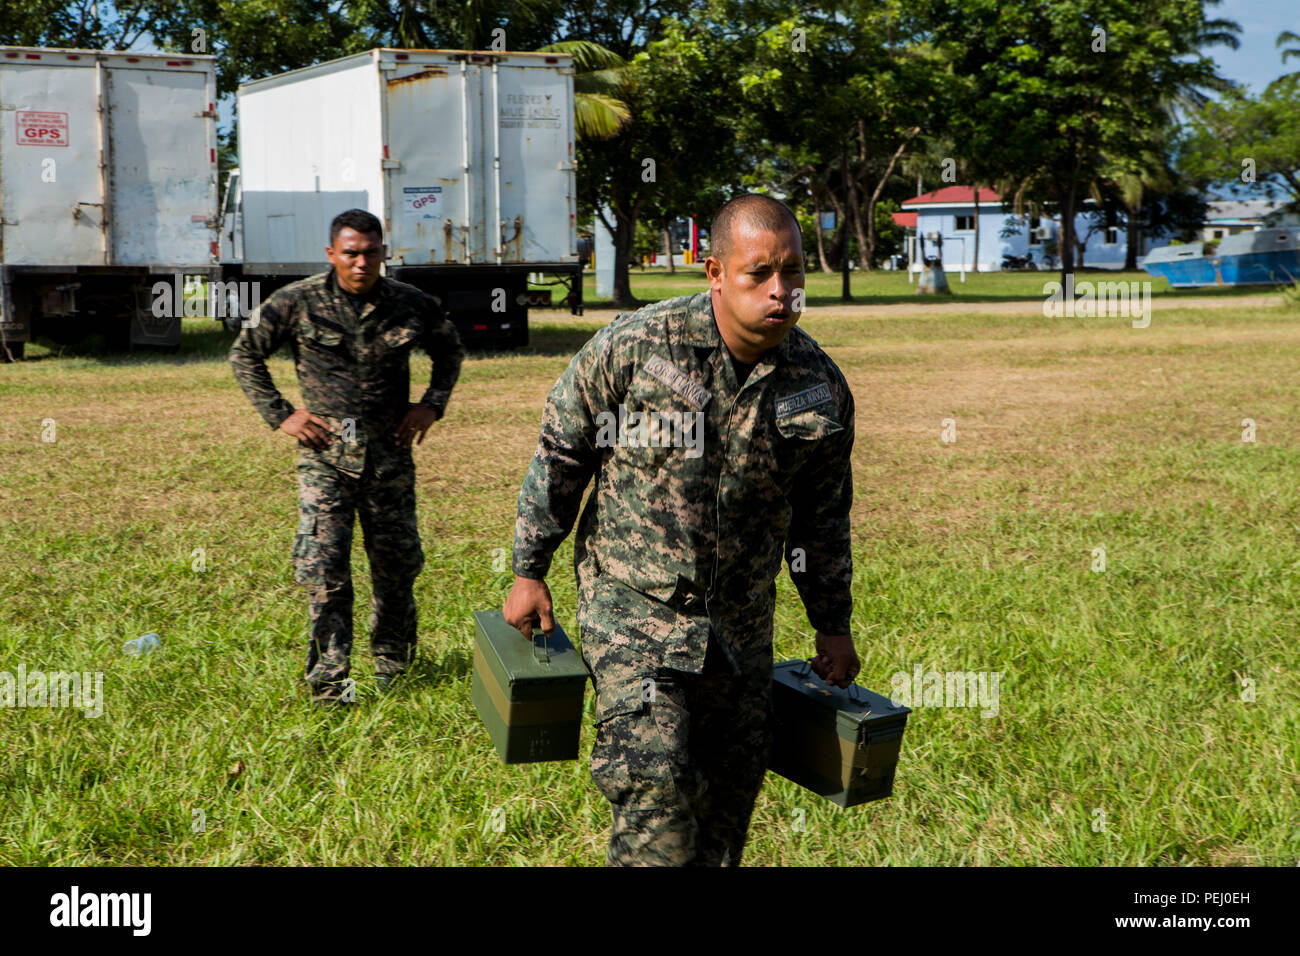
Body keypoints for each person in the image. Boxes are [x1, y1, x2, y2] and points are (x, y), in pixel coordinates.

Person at [503, 194, 859, 865]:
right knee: (657, 800)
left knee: (725, 817)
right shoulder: (637, 348)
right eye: (760, 274)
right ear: (714, 272)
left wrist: (831, 624)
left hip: (741, 631)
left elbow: (822, 518)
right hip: (634, 614)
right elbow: (563, 449)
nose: (782, 292)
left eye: (793, 272)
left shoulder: (817, 386)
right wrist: (529, 569)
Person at [230, 208, 464, 705]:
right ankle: (331, 683)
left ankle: (394, 668)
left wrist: (431, 405)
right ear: (332, 254)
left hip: (389, 457)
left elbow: (450, 352)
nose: (361, 263)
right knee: (325, 570)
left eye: (371, 252)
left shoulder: (411, 304)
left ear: (384, 252)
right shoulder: (296, 302)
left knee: (397, 568)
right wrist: (283, 415)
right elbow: (244, 353)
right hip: (326, 459)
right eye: (351, 253)